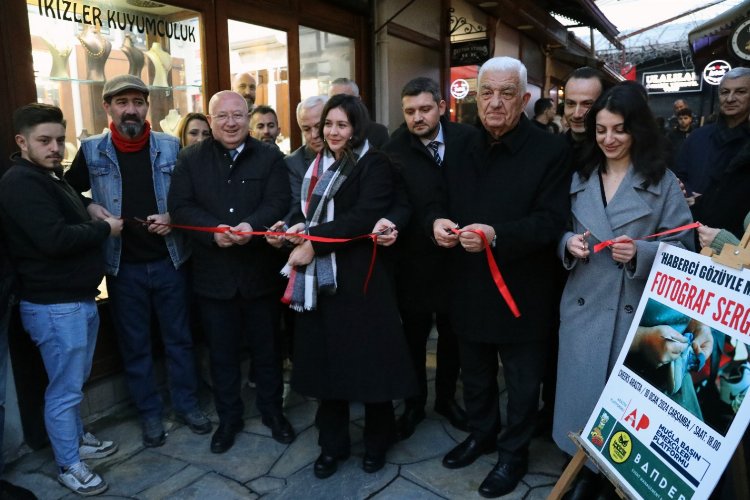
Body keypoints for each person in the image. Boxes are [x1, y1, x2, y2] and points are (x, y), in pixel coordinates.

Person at [431, 56, 571, 498]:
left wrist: (497, 235)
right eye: (486, 92)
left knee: (522, 380)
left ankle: (514, 453)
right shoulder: (461, 144)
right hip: (468, 282)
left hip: (523, 288)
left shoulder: (551, 150)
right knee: (473, 371)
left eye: (506, 94)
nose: (493, 103)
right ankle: (481, 433)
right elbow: (441, 199)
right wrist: (437, 221)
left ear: (526, 98)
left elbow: (552, 221)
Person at [554, 84, 694, 499]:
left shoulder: (662, 182)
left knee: (624, 408)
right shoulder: (579, 175)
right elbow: (554, 227)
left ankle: (614, 473)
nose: (609, 139)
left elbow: (687, 248)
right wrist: (567, 243)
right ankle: (581, 469)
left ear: (637, 130)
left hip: (632, 316)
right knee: (581, 397)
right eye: (600, 130)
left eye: (619, 129)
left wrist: (642, 252)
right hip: (583, 305)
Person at [66, 75, 211, 448]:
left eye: (138, 102)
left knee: (179, 341)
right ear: (108, 107)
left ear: (148, 106)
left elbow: (190, 194)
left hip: (170, 262)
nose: (131, 109)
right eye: (122, 102)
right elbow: (66, 191)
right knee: (135, 345)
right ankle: (149, 414)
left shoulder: (169, 146)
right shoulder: (91, 150)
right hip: (122, 268)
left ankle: (186, 405)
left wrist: (173, 218)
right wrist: (88, 206)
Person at [281, 94, 417, 479]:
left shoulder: (374, 163)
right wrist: (292, 226)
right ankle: (332, 445)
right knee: (328, 367)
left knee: (370, 365)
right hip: (324, 285)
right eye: (328, 124)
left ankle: (377, 442)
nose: (333, 131)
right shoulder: (316, 165)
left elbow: (364, 216)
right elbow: (306, 213)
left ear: (356, 127)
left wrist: (313, 242)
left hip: (362, 279)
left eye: (342, 124)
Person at [0, 103, 123, 496]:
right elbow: (54, 240)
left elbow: (71, 205)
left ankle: (76, 437)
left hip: (75, 300)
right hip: (54, 306)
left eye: (59, 139)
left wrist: (87, 205)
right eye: (44, 141)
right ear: (22, 142)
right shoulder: (20, 182)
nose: (55, 147)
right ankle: (69, 463)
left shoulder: (48, 176)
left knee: (74, 382)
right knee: (65, 388)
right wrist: (104, 228)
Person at [168, 90, 295, 453]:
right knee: (221, 355)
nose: (230, 122)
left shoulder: (269, 156)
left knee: (268, 351)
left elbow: (278, 201)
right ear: (210, 121)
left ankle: (273, 413)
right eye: (222, 116)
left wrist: (248, 226)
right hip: (213, 278)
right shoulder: (190, 158)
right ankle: (229, 419)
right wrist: (214, 232)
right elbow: (180, 207)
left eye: (238, 115)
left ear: (247, 117)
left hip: (260, 273)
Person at [379, 77, 472, 440]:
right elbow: (394, 203)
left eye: (424, 109)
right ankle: (414, 404)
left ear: (441, 106)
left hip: (459, 259)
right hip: (413, 262)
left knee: (453, 337)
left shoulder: (466, 139)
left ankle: (446, 399)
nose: (417, 117)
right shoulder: (393, 148)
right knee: (413, 339)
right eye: (410, 111)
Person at [675, 67, 750, 203]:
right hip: (694, 219)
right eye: (725, 92)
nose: (730, 98)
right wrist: (687, 193)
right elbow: (679, 176)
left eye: (740, 92)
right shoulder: (698, 137)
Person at [284, 95, 326, 223]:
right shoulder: (294, 163)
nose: (314, 135)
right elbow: (296, 210)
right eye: (306, 129)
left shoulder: (352, 156)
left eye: (319, 126)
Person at [328, 77, 390, 147]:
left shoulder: (378, 132)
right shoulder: (325, 133)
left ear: (358, 100)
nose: (339, 106)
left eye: (346, 100)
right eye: (334, 101)